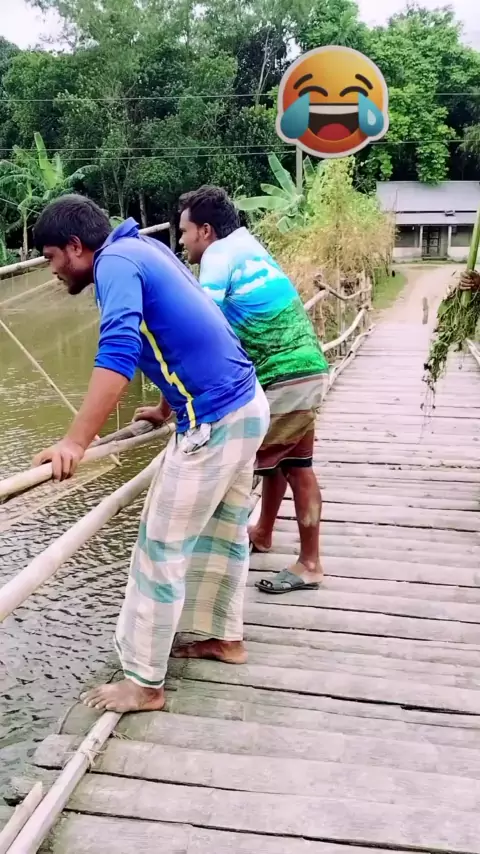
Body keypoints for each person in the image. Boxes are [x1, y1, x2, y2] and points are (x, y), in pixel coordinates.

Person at [32, 195, 269, 713]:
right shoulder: (143, 248)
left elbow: (118, 353)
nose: (52, 270)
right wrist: (165, 407)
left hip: (215, 419)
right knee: (225, 535)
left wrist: (75, 442)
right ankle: (224, 637)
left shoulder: (115, 264)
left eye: (51, 257)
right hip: (246, 405)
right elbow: (178, 332)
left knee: (159, 549)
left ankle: (144, 683)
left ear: (76, 246)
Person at [179, 186, 329, 595]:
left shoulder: (217, 256)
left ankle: (305, 564)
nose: (182, 240)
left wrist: (170, 405)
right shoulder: (247, 245)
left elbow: (198, 332)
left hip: (282, 376)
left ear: (205, 231)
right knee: (292, 462)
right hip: (306, 368)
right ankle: (264, 533)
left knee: (233, 464)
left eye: (185, 231)